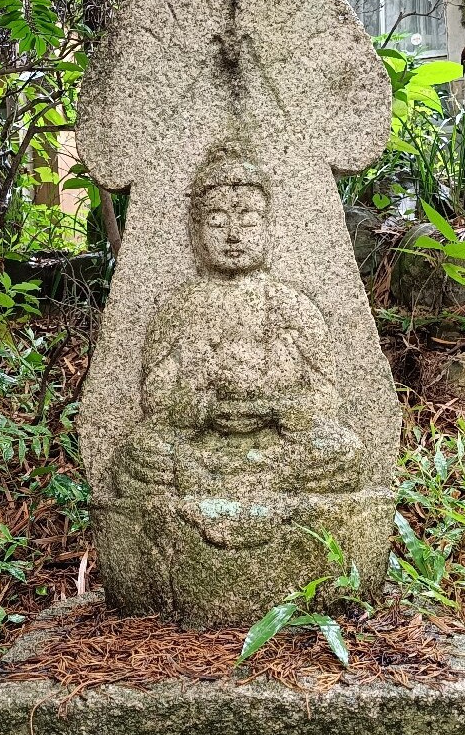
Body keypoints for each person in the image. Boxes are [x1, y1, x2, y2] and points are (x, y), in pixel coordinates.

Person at [114, 147, 369, 502]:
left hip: (277, 445)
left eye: (248, 220)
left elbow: (324, 394)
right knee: (141, 454)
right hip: (200, 444)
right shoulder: (178, 308)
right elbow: (157, 395)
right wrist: (200, 408)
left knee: (341, 452)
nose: (233, 235)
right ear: (194, 230)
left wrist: (276, 407)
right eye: (217, 221)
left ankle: (259, 486)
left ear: (270, 227)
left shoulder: (294, 307)